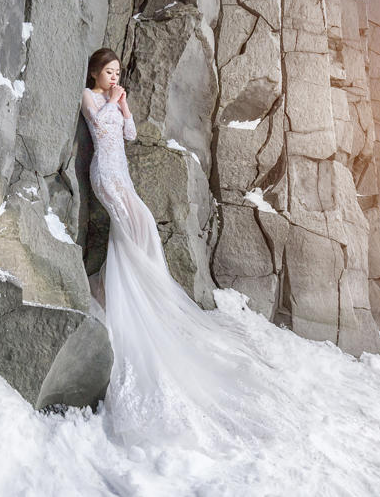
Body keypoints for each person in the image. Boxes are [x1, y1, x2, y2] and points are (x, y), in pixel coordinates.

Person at [79, 47, 275, 453]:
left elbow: (129, 135)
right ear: (96, 73)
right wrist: (112, 101)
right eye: (109, 72)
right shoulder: (91, 96)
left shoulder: (115, 98)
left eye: (117, 72)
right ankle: (117, 295)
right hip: (106, 175)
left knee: (144, 228)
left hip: (124, 173)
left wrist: (126, 106)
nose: (114, 77)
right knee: (131, 233)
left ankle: (114, 290)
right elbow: (98, 126)